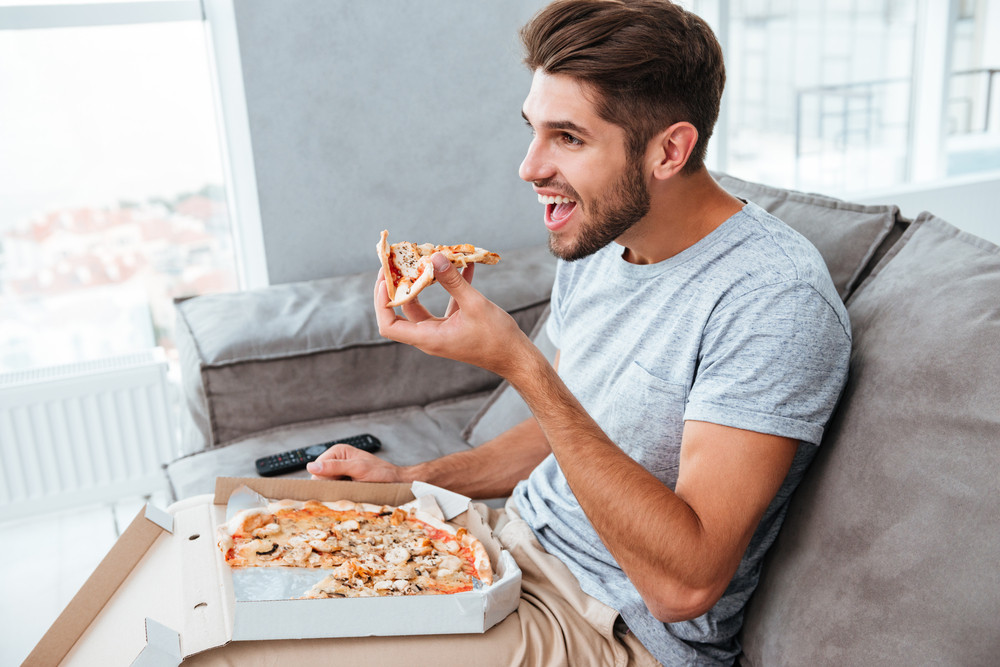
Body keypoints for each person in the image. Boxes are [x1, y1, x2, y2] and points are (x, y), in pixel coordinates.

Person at [304, 1, 851, 665]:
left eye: (568, 138)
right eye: (533, 130)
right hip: (508, 547)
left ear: (669, 150)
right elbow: (563, 430)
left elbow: (685, 584)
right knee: (258, 594)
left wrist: (522, 364)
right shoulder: (598, 235)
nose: (529, 168)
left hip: (607, 627)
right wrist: (409, 478)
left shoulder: (773, 301)